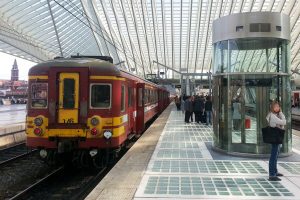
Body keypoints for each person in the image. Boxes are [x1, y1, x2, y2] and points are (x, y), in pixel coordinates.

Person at [266, 101, 286, 181]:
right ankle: (272, 175)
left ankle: (275, 171)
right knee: (273, 156)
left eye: (278, 107)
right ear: (272, 108)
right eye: (275, 107)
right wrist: (281, 113)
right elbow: (284, 121)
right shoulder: (273, 116)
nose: (277, 108)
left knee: (276, 155)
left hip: (277, 137)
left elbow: (282, 123)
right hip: (275, 138)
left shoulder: (273, 115)